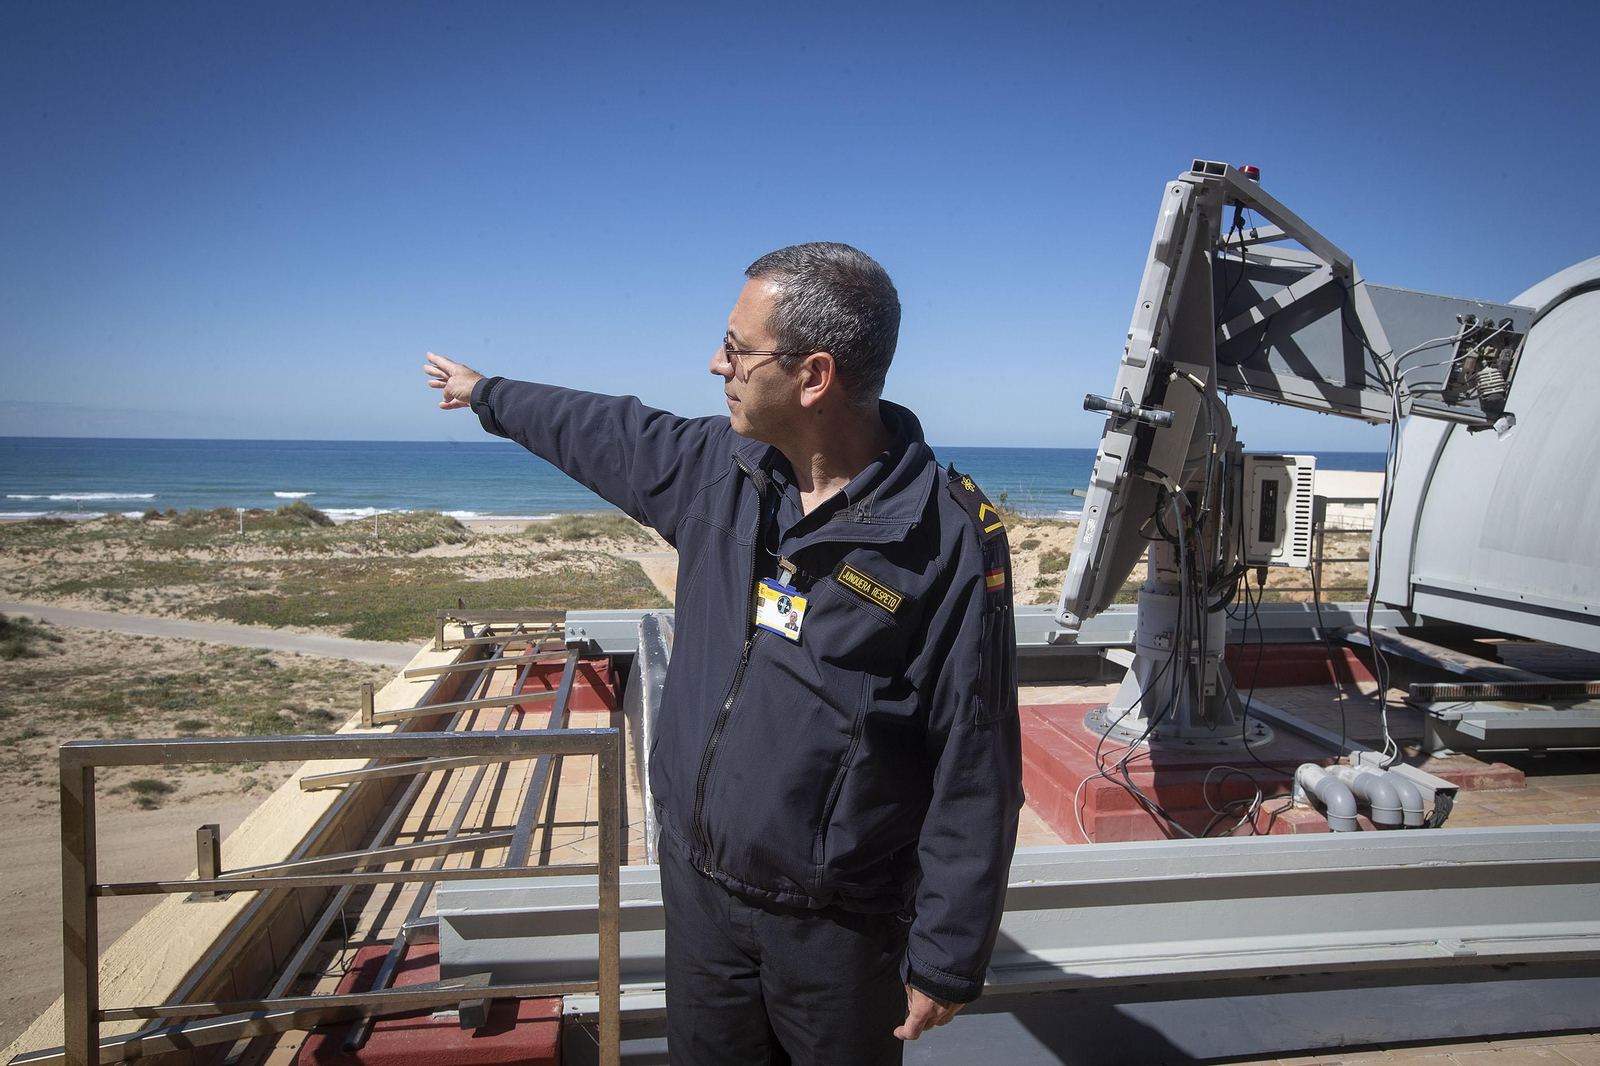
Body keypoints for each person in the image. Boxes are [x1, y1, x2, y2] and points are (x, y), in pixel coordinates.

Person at [424, 242, 1022, 1065]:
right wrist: (487, 395)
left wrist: (949, 959)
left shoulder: (946, 541)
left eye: (738, 349)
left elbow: (976, 757)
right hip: (702, 899)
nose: (717, 364)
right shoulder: (719, 467)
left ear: (814, 376)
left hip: (839, 930)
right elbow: (604, 432)